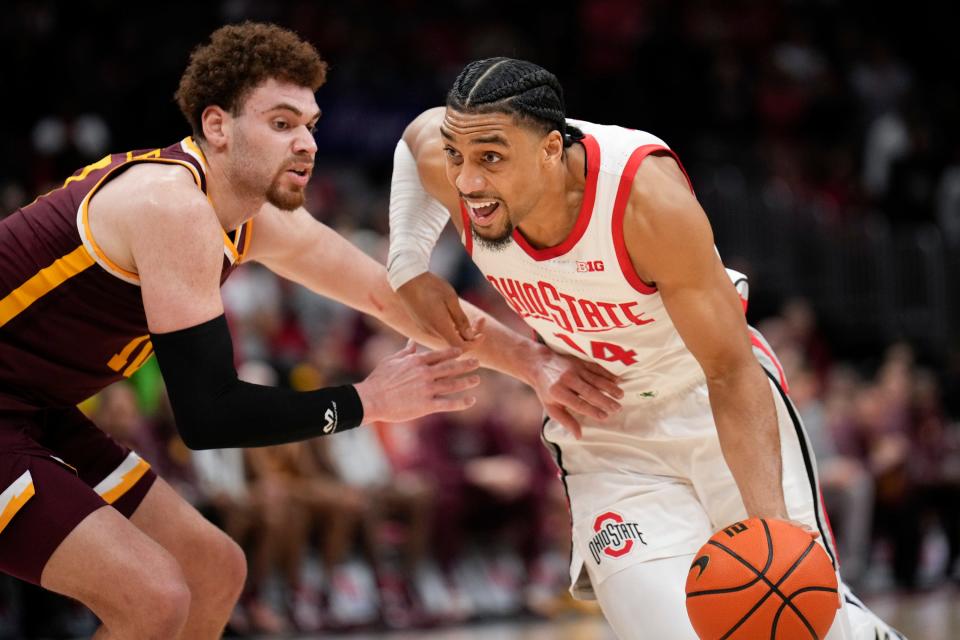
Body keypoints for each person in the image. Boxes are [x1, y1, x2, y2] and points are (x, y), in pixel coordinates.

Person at [0, 28, 621, 639]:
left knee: (214, 571)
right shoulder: (170, 205)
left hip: (37, 407)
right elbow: (208, 416)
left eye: (310, 125)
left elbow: (395, 297)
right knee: (154, 597)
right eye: (280, 124)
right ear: (216, 127)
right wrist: (370, 402)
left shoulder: (251, 220)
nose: (304, 143)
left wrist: (534, 365)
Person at [385, 57, 906, 639]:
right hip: (606, 433)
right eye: (458, 156)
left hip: (712, 406)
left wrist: (772, 535)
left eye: (490, 159)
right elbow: (416, 139)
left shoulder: (643, 200)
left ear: (551, 151)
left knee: (795, 626)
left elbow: (731, 372)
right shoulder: (456, 162)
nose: (467, 181)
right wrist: (407, 260)